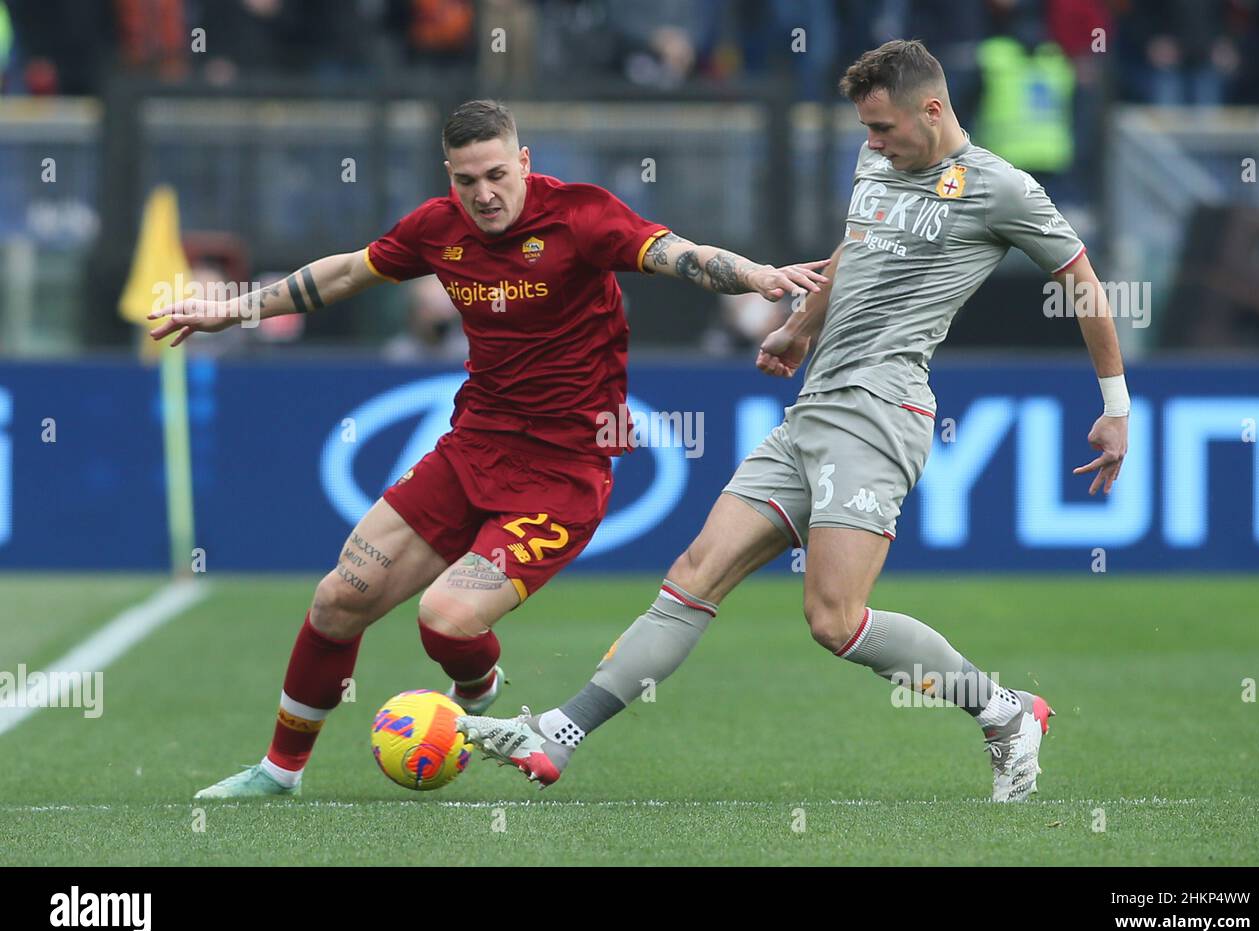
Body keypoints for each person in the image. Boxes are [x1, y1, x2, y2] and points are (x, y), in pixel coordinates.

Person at [459, 40, 1130, 803]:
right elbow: (858, 247)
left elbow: (1082, 280)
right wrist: (801, 327)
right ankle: (559, 733)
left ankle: (1007, 712)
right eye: (865, 129)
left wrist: (1115, 407)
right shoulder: (878, 165)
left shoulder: (997, 188)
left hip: (879, 415)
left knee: (834, 619)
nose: (870, 144)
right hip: (814, 409)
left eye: (882, 128)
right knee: (692, 578)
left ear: (933, 110)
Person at [147, 98, 829, 799]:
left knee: (444, 621)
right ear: (450, 176)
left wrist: (752, 274)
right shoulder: (437, 230)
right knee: (335, 602)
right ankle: (278, 772)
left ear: (525, 163)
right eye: (467, 180)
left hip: (562, 476)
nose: (484, 194)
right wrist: (232, 307)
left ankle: (477, 686)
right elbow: (346, 273)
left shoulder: (580, 216)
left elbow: (678, 253)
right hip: (471, 449)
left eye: (497, 175)